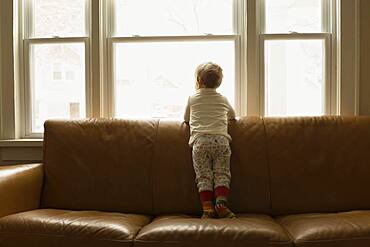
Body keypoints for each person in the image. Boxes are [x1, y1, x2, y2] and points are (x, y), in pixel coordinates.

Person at [184, 62, 236, 219]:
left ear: (199, 80)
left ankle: (207, 208)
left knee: (204, 176)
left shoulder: (192, 99)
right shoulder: (223, 99)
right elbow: (232, 115)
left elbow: (186, 118)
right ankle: (221, 203)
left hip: (200, 142)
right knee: (222, 173)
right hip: (221, 141)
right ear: (219, 83)